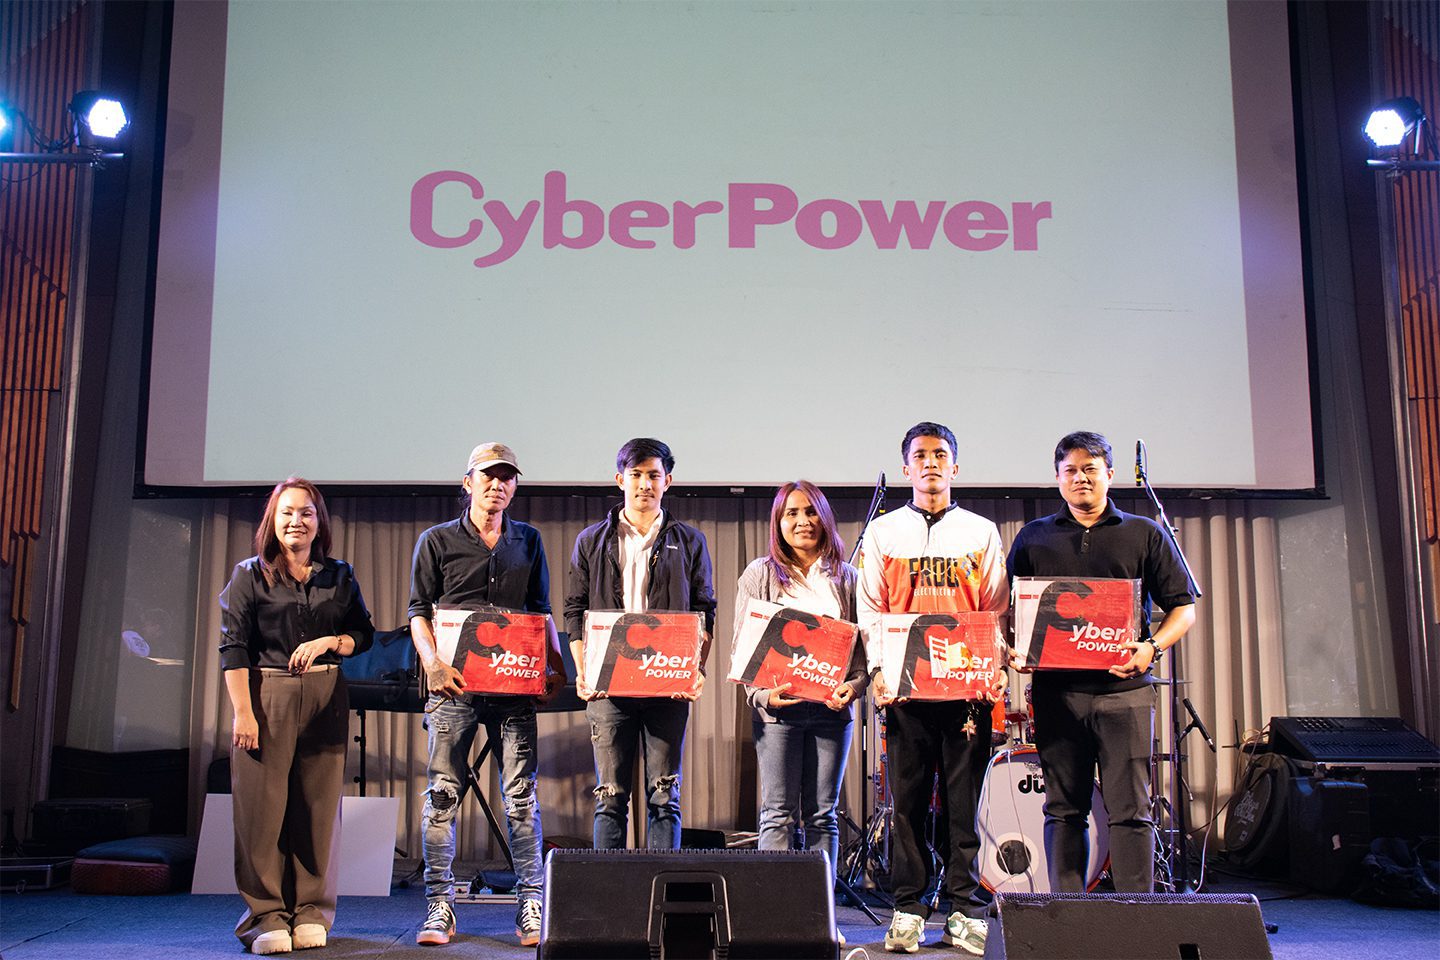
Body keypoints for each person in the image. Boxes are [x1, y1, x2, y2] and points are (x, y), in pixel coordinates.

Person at [1006, 431, 1196, 894]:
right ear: (1057, 478)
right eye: (1070, 470)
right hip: (1057, 695)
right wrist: (1015, 648)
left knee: (1132, 811)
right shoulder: (1033, 537)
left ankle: (1136, 914)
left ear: (1110, 474)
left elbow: (1183, 608)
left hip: (1125, 694)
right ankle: (1068, 912)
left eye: (1090, 469)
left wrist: (1152, 648)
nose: (1081, 478)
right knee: (1063, 810)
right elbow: (1007, 608)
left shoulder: (1144, 532)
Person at [857, 423, 1008, 956]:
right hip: (906, 692)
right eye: (920, 455)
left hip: (966, 691)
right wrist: (880, 670)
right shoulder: (882, 533)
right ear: (906, 468)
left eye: (940, 455)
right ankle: (909, 908)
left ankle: (965, 909)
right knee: (908, 805)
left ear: (955, 467)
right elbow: (871, 609)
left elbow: (994, 608)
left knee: (965, 805)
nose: (930, 463)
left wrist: (993, 667)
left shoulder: (981, 532)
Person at [408, 443, 565, 948]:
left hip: (512, 690)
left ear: (514, 487)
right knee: (442, 797)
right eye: (488, 476)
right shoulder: (436, 540)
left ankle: (531, 904)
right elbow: (418, 612)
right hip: (452, 690)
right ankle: (439, 905)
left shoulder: (528, 540)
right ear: (468, 482)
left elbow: (540, 611)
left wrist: (555, 665)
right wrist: (433, 665)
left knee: (521, 799)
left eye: (506, 477)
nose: (497, 485)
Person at [219, 478, 375, 956]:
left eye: (306, 513)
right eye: (287, 512)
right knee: (262, 812)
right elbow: (233, 648)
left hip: (327, 693)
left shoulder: (340, 575)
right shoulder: (250, 575)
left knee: (318, 809)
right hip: (267, 694)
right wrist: (244, 713)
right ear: (273, 520)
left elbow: (363, 635)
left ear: (319, 521)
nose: (296, 521)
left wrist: (330, 641)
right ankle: (265, 915)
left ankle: (310, 910)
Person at [564, 437, 717, 849]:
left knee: (665, 798)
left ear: (668, 481)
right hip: (608, 688)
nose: (645, 484)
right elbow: (575, 610)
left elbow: (704, 611)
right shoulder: (591, 540)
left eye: (653, 475)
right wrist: (583, 670)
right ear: (620, 480)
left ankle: (661, 887)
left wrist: (696, 670)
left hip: (667, 686)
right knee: (610, 798)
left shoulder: (690, 540)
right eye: (636, 475)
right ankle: (608, 890)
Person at [734, 480, 869, 875]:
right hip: (777, 715)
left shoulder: (848, 578)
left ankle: (821, 908)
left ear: (824, 518)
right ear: (778, 522)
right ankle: (776, 907)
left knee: (823, 816)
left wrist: (853, 687)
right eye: (791, 513)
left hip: (831, 714)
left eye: (811, 512)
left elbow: (863, 655)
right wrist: (762, 697)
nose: (803, 521)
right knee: (777, 814)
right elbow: (744, 647)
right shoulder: (759, 574)